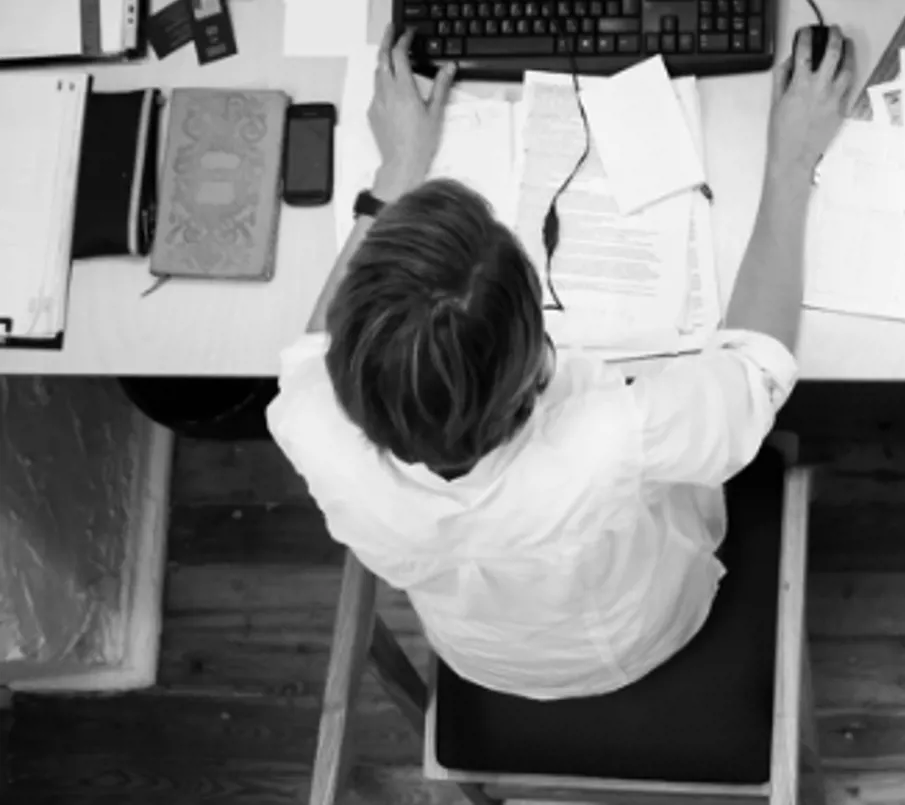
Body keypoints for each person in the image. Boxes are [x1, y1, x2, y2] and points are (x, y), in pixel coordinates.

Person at [267, 23, 855, 701]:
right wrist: (791, 161)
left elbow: (313, 347)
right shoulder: (608, 439)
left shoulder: (309, 425)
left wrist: (395, 172)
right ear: (534, 358)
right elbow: (757, 371)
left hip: (477, 653)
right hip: (640, 633)